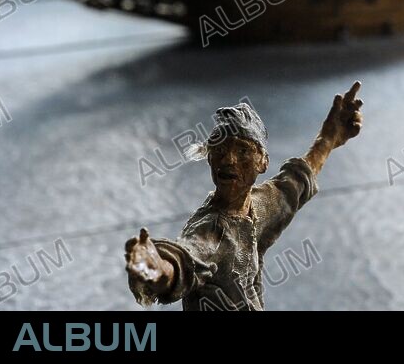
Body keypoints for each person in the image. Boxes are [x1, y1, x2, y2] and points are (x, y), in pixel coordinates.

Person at [124, 82, 364, 310]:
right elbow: (184, 260)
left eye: (242, 150)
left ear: (263, 162)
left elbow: (294, 184)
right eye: (219, 150)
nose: (229, 160)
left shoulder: (260, 205)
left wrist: (329, 138)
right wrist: (157, 268)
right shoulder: (212, 231)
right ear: (209, 158)